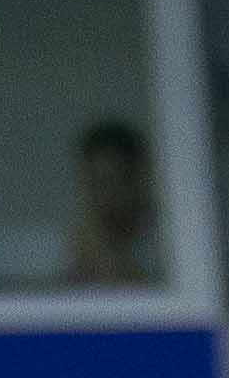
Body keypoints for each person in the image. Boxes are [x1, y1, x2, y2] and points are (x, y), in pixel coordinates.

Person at [61, 120, 158, 287]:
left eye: (114, 181)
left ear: (137, 180)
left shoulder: (165, 241)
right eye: (95, 183)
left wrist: (106, 252)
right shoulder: (76, 244)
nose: (105, 196)